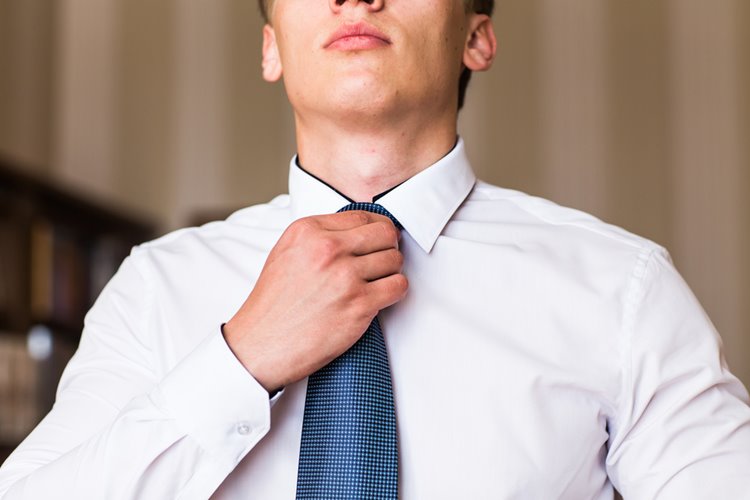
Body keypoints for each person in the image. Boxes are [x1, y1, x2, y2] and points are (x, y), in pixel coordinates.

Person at [1, 0, 749, 498]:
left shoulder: (622, 291)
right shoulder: (157, 288)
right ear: (271, 50)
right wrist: (241, 361)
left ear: (477, 36)